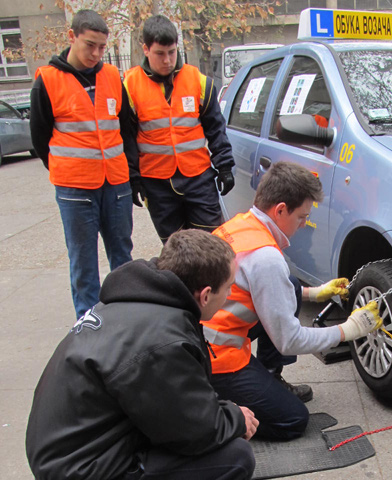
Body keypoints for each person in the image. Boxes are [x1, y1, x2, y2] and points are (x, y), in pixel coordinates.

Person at [26, 229, 259, 480]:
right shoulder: (163, 341)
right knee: (234, 457)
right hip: (81, 470)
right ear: (204, 295)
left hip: (70, 452)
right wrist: (235, 417)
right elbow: (195, 432)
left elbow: (174, 406)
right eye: (228, 288)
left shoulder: (137, 300)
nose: (229, 295)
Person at [201, 161, 383, 440]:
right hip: (217, 359)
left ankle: (269, 377)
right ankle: (214, 408)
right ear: (281, 209)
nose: (303, 224)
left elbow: (261, 288)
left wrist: (314, 292)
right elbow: (289, 340)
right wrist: (349, 330)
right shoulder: (265, 257)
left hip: (205, 336)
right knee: (293, 420)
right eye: (301, 217)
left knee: (293, 285)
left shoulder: (242, 224)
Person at [30, 10, 138, 319]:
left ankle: (127, 319)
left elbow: (126, 129)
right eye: (90, 45)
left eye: (102, 47)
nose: (96, 54)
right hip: (75, 189)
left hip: (116, 184)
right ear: (71, 37)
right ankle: (88, 327)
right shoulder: (47, 81)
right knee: (83, 263)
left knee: (123, 259)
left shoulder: (112, 78)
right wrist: (65, 170)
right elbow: (40, 137)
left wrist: (130, 172)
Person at [124, 15, 235, 243]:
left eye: (172, 53)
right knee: (176, 248)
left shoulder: (198, 81)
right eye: (160, 54)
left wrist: (224, 166)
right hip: (157, 183)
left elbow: (215, 128)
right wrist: (133, 179)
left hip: (198, 177)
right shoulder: (130, 87)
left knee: (211, 243)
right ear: (146, 49)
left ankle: (210, 281)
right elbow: (127, 137)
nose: (167, 60)